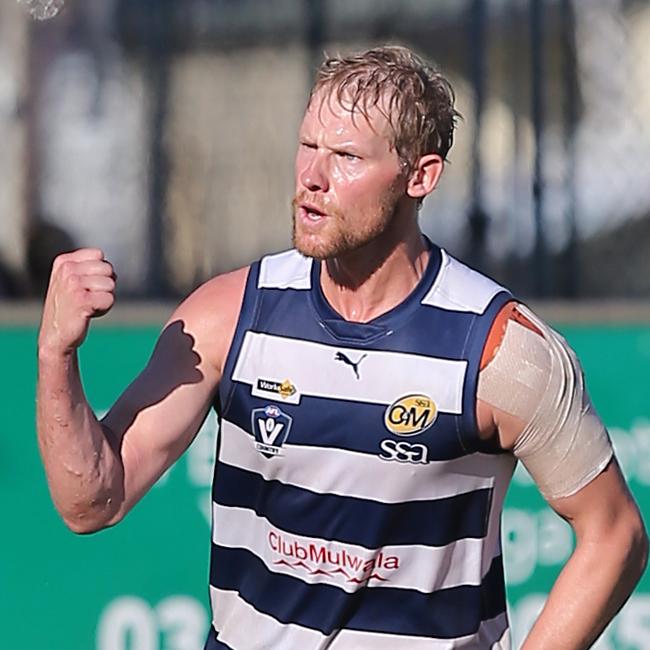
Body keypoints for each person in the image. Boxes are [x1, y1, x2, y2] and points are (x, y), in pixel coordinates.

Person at [37, 45, 647, 649]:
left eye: (347, 156)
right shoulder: (230, 315)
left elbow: (615, 533)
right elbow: (93, 501)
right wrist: (56, 355)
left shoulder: (496, 349)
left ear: (421, 176)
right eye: (308, 146)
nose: (313, 177)